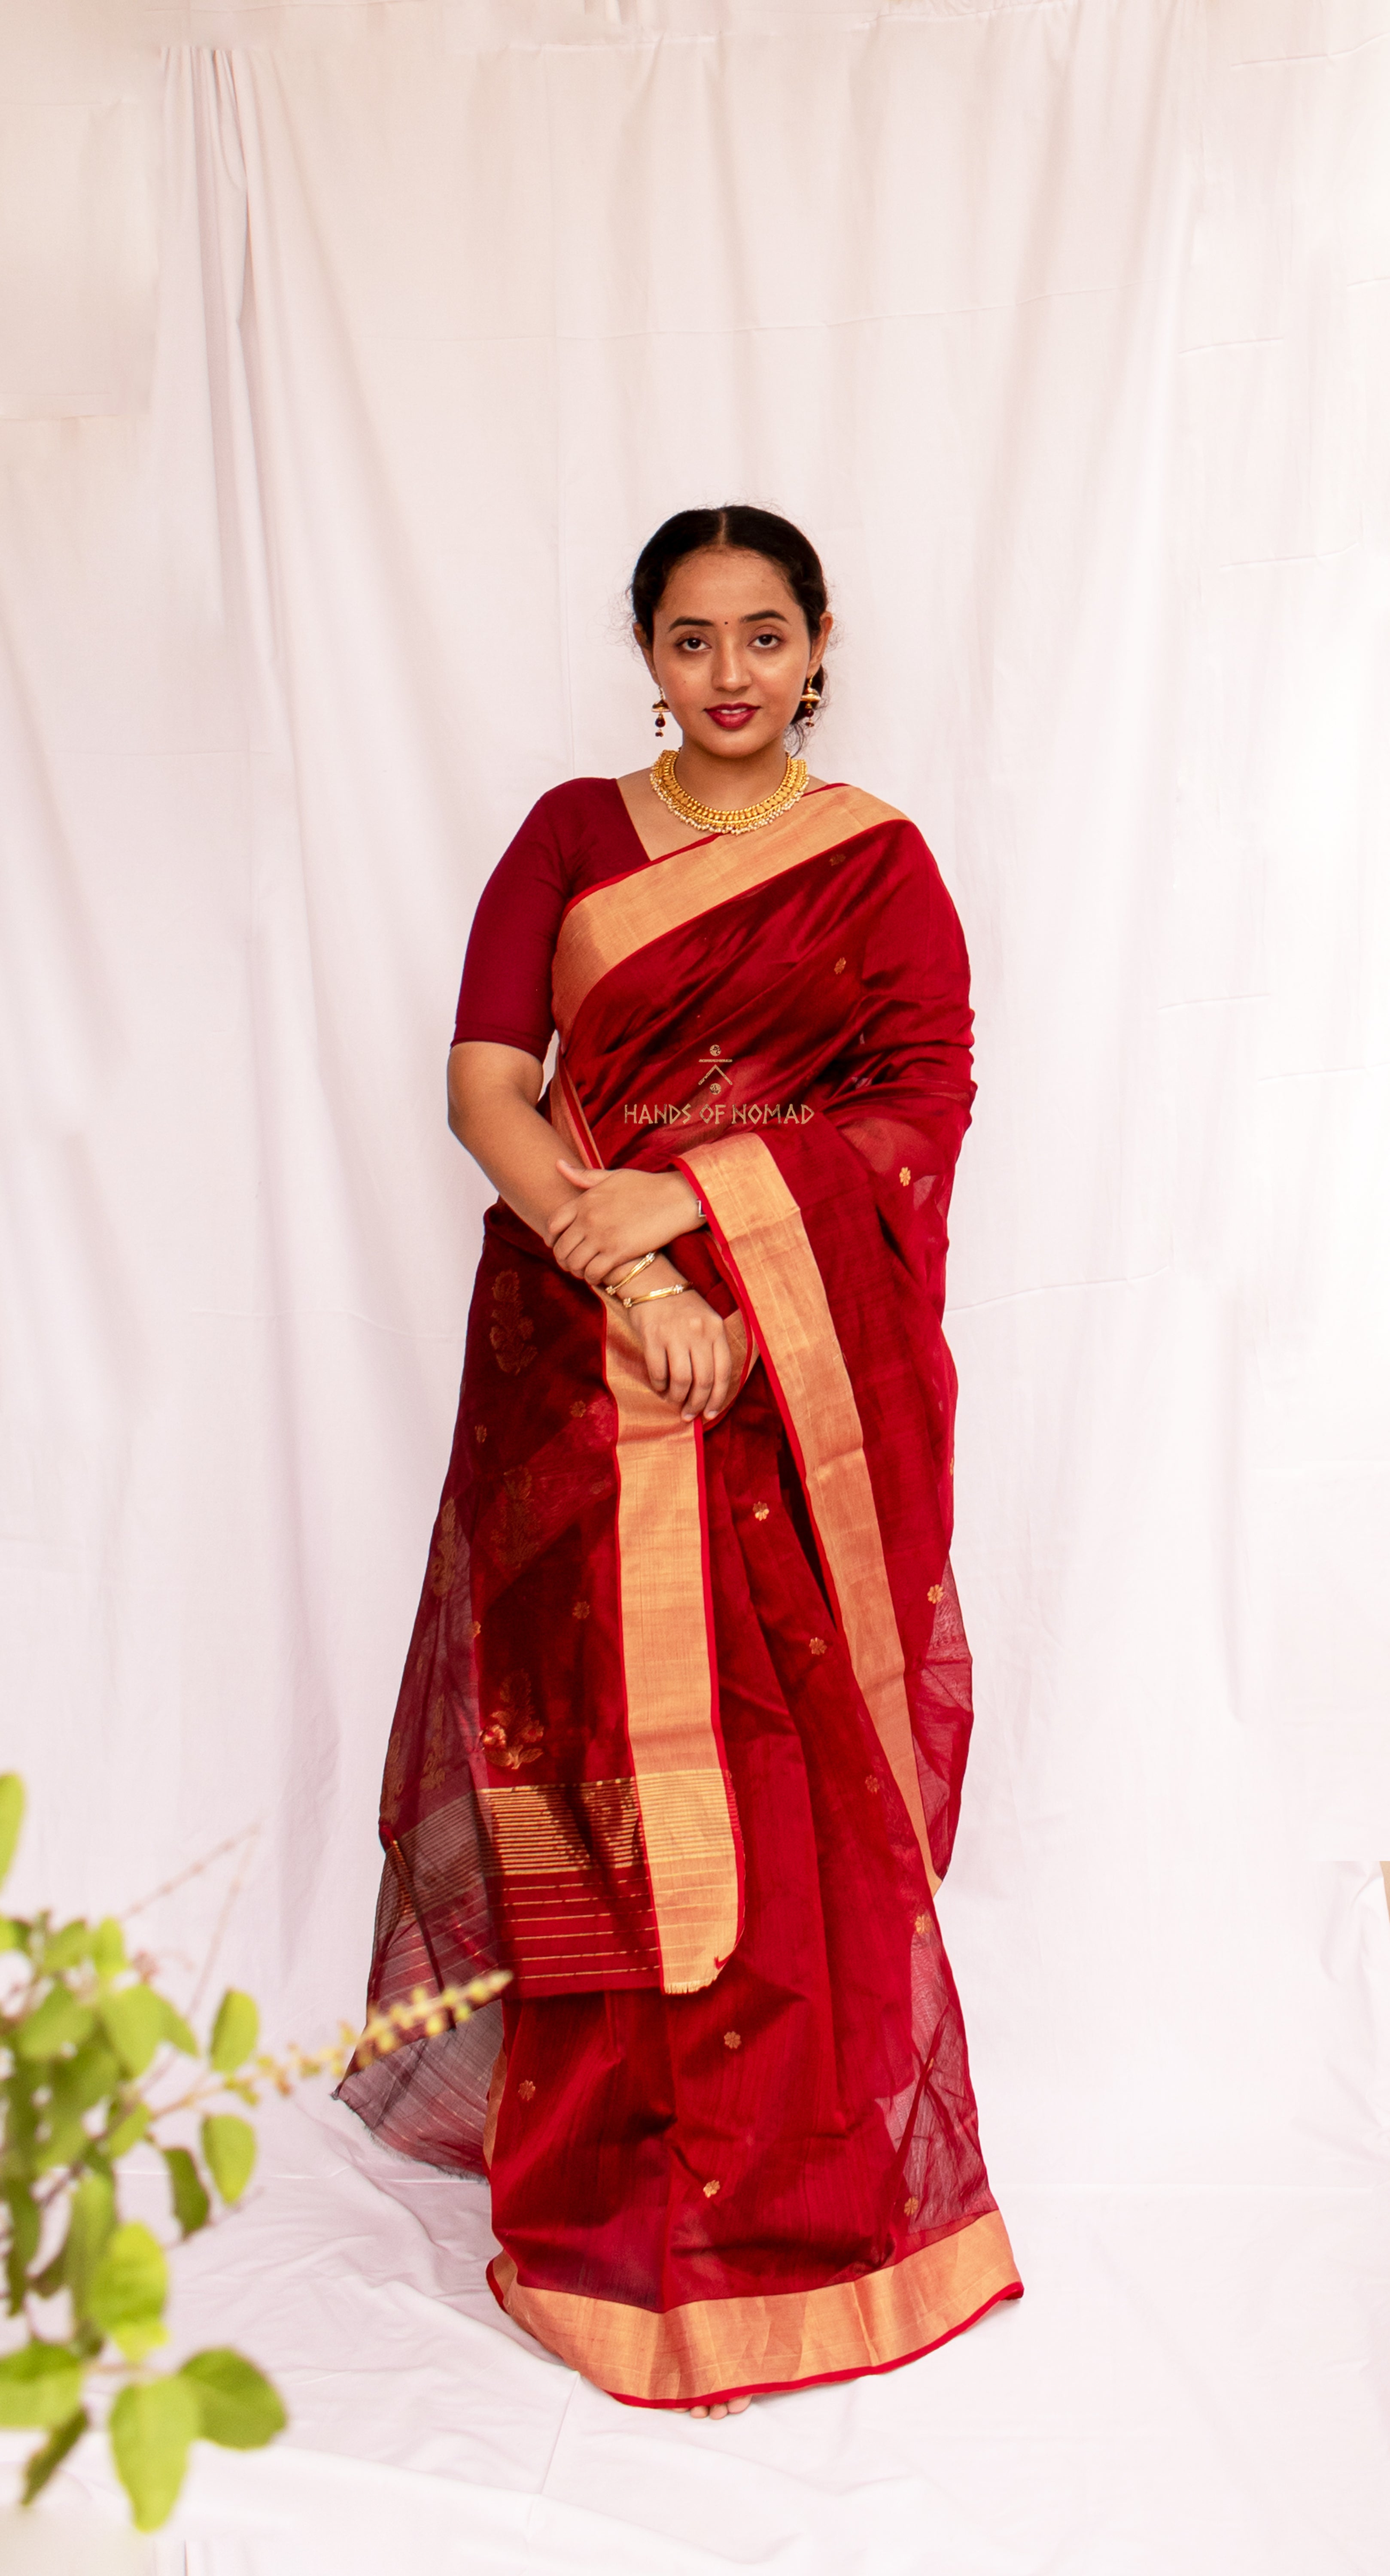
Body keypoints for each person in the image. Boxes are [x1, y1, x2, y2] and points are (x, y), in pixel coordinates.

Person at [340, 505, 1022, 2415]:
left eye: (765, 635)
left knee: (788, 1781)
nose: (730, 673)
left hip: (787, 1384)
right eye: (692, 639)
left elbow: (920, 1109)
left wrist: (708, 1206)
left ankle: (799, 2204)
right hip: (576, 1356)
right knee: (591, 1766)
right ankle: (594, 2206)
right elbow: (489, 1082)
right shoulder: (569, 833)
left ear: (820, 647)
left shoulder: (878, 864)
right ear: (646, 654)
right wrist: (624, 1257)